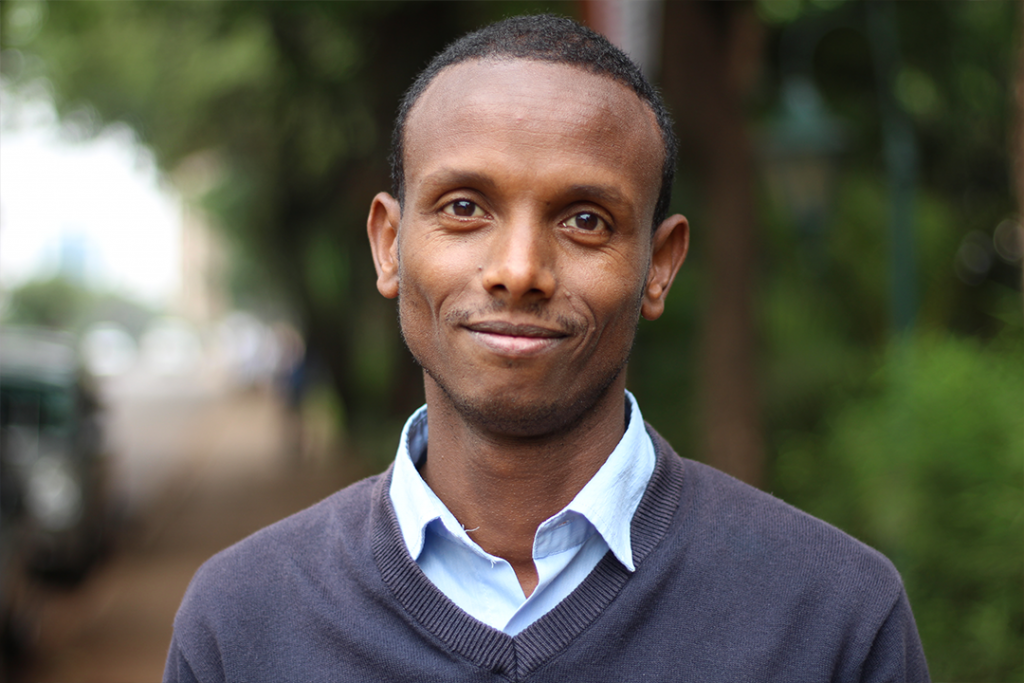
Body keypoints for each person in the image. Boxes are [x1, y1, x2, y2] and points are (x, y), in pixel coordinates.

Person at [164, 15, 929, 682]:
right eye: (464, 208)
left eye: (585, 220)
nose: (519, 269)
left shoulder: (833, 617)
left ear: (658, 265)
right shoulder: (243, 622)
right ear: (390, 245)